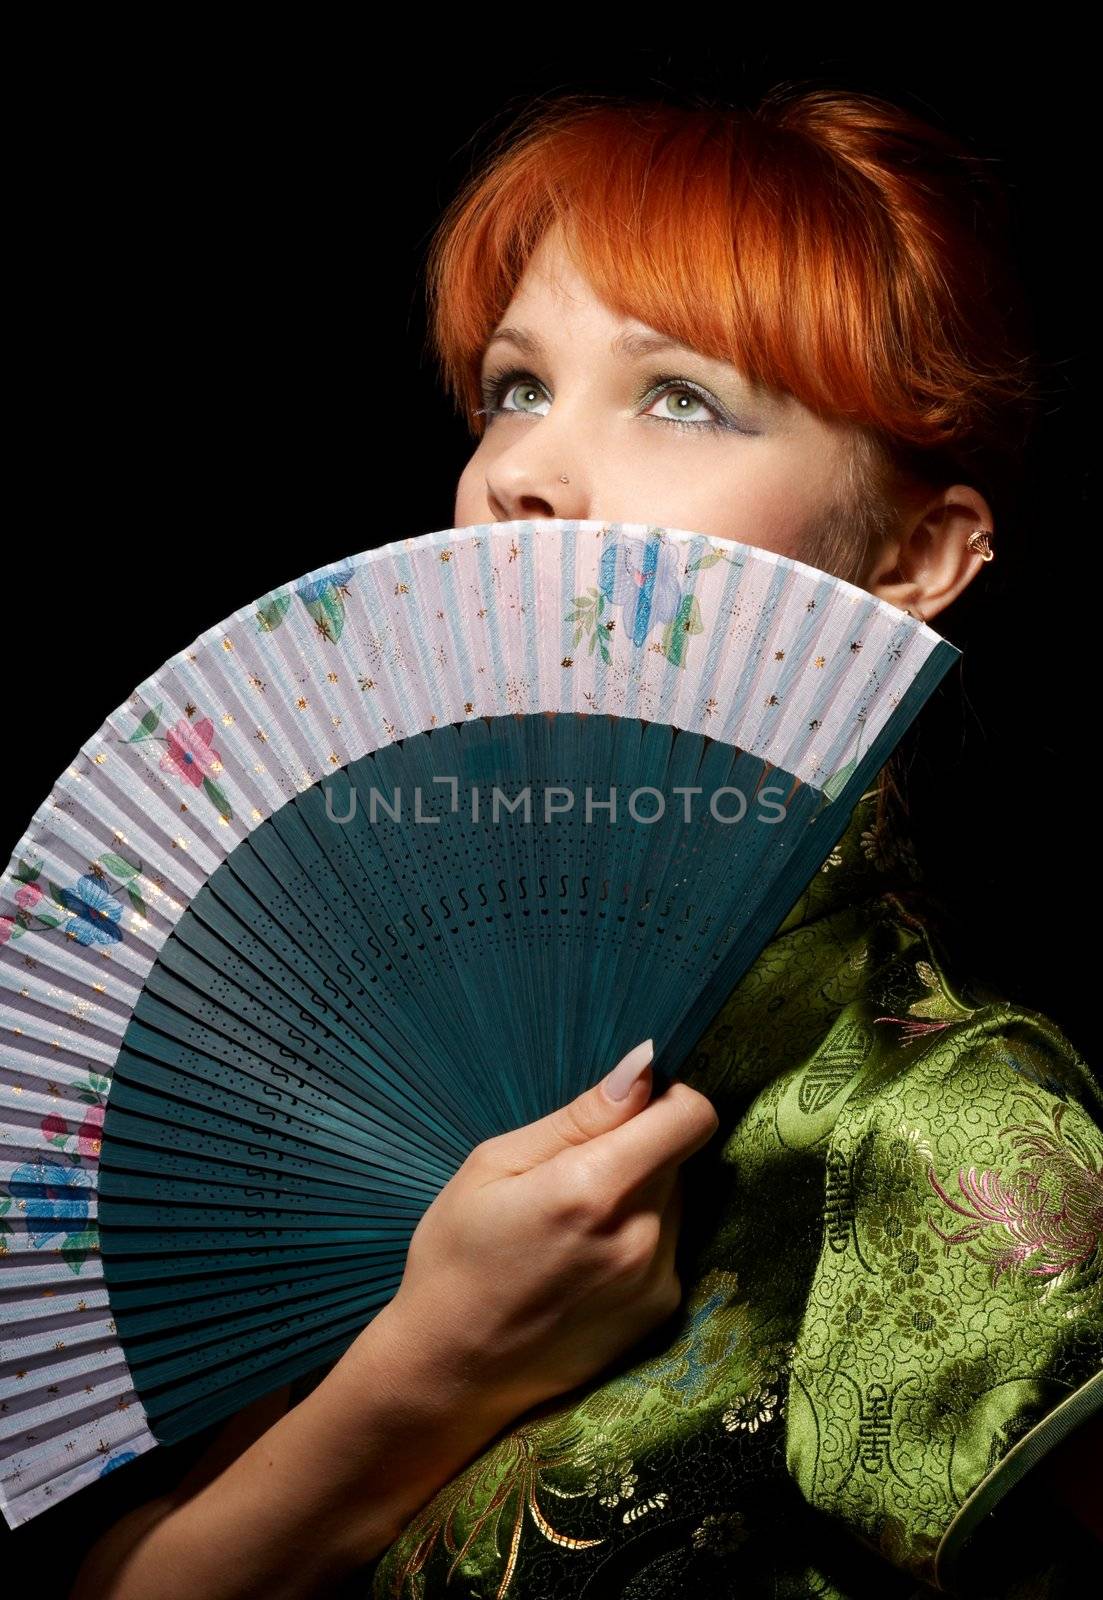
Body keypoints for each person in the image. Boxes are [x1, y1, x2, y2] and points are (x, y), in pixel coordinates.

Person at [70, 86, 1102, 1600]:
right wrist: (423, 1374)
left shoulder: (960, 1147)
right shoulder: (372, 1061)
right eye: (513, 389)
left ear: (915, 556)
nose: (519, 474)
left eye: (678, 395)